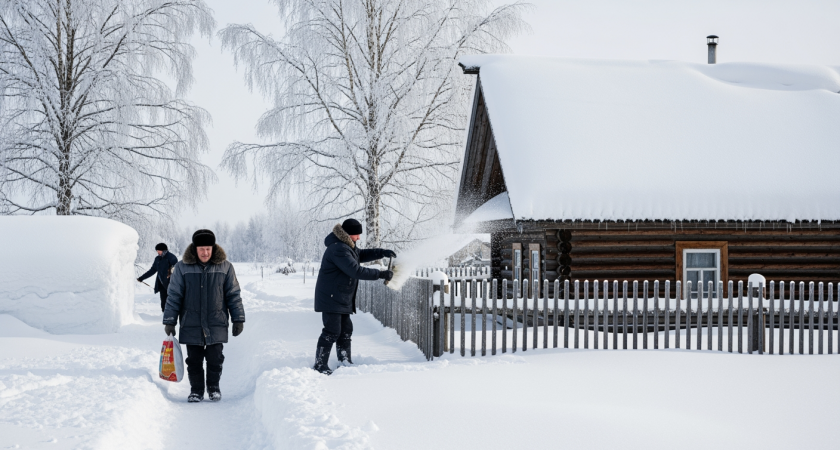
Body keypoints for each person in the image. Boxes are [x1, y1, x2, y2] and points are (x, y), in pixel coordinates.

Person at [163, 229, 245, 402]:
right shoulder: (182, 267)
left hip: (217, 321)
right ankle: (196, 390)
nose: (205, 252)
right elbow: (174, 295)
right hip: (191, 322)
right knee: (194, 360)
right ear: (195, 248)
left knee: (215, 359)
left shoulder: (225, 267)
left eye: (208, 248)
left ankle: (214, 388)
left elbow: (233, 294)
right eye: (201, 249)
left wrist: (238, 318)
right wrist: (170, 320)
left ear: (213, 248)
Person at [313, 219, 396, 375]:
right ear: (349, 234)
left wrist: (381, 252)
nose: (358, 238)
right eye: (357, 234)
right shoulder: (338, 249)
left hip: (340, 296)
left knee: (345, 330)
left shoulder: (346, 246)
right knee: (332, 331)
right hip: (332, 297)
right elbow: (355, 270)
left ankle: (344, 361)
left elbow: (360, 254)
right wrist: (380, 274)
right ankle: (319, 364)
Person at [137, 243, 179, 312]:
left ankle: (173, 316)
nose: (157, 252)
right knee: (163, 302)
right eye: (157, 251)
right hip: (161, 284)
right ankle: (164, 315)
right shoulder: (158, 259)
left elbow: (177, 272)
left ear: (163, 250)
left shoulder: (172, 258)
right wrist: (142, 278)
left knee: (171, 302)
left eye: (159, 251)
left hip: (171, 284)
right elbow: (153, 270)